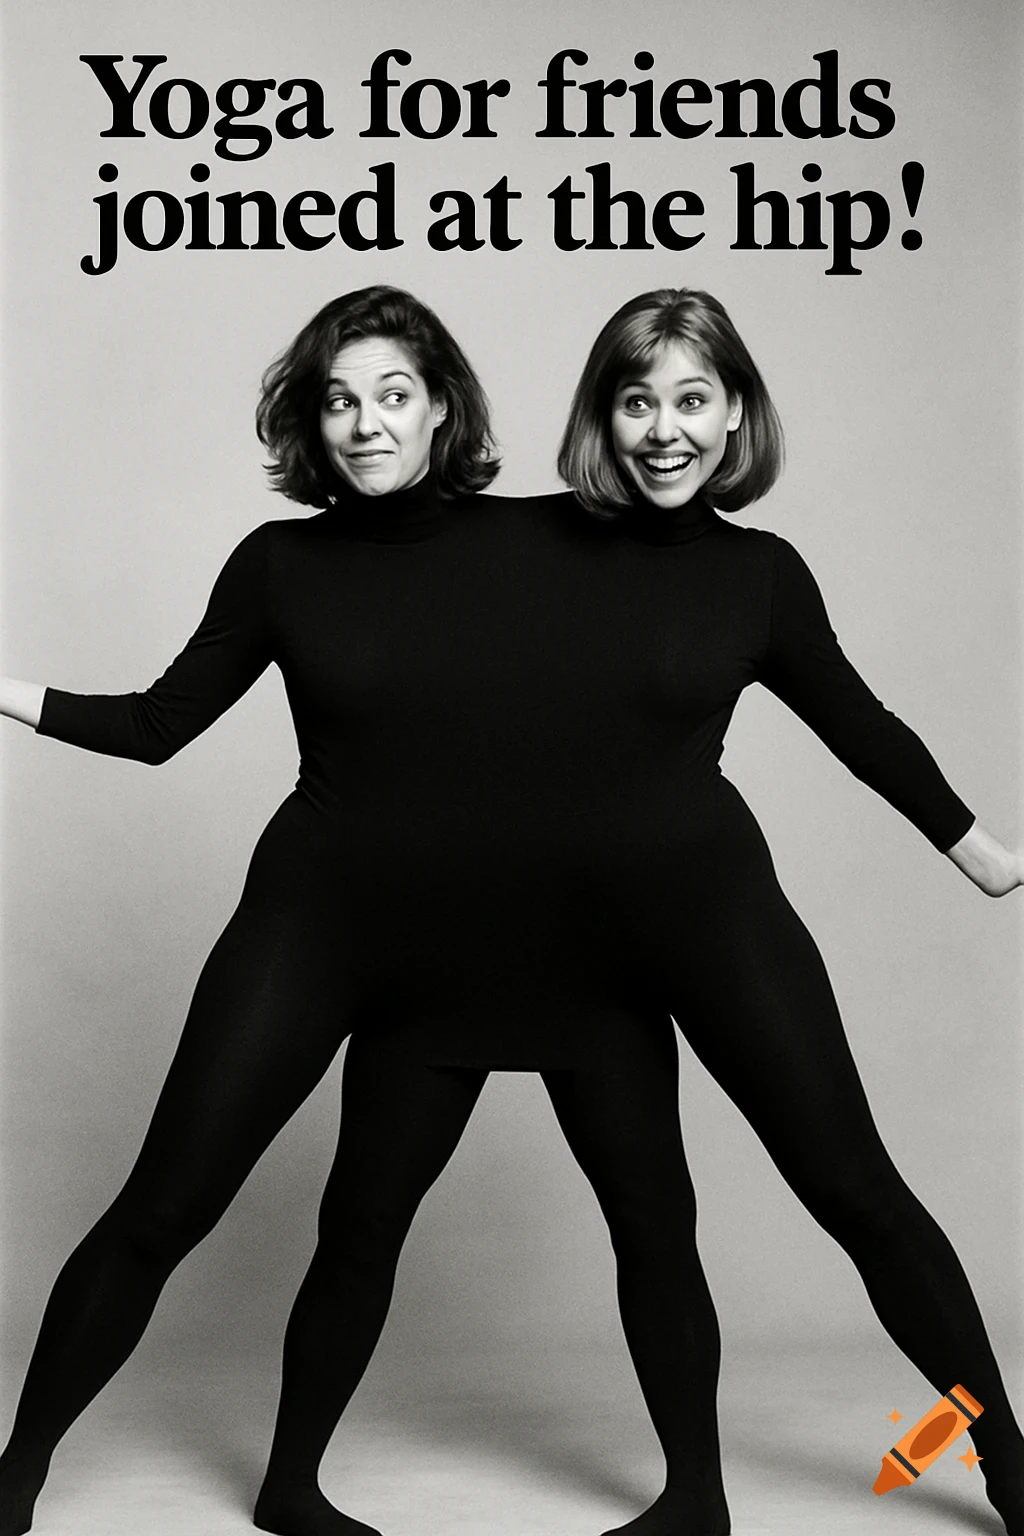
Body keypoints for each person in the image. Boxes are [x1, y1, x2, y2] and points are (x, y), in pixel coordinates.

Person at [528, 285, 1020, 1536]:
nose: (663, 431)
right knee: (647, 1220)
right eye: (634, 402)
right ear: (601, 416)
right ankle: (692, 1494)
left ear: (737, 412)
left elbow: (856, 723)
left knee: (856, 1191)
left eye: (693, 399)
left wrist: (982, 854)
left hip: (716, 919)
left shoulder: (759, 575)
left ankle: (1008, 1461)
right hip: (562, 949)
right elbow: (381, 544)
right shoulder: (521, 547)